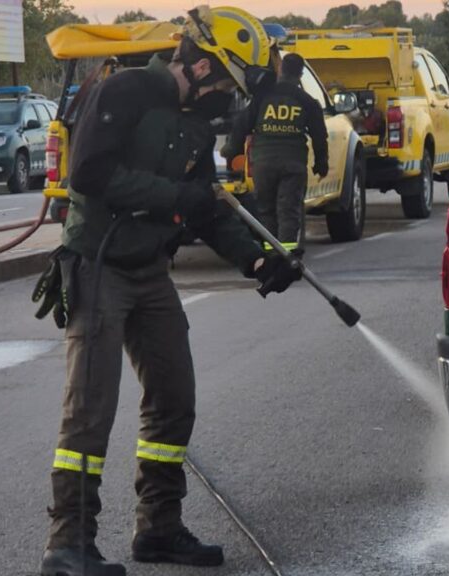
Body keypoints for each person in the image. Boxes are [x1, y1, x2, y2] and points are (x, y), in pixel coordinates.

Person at [38, 7, 297, 576]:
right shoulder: (124, 90)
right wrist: (177, 200)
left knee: (174, 396)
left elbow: (207, 205)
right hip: (98, 265)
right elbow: (89, 175)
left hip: (149, 270)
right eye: (229, 82)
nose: (231, 98)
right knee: (89, 411)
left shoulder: (196, 125)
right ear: (202, 66)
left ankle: (158, 528)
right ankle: (68, 544)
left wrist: (257, 259)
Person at [229, 52, 329, 252]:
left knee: (266, 210)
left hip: (263, 164)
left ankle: (271, 253)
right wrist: (321, 164)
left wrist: (232, 152)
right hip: (293, 163)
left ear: (281, 69)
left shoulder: (262, 97)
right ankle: (288, 254)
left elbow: (242, 125)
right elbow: (319, 137)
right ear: (300, 74)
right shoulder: (307, 101)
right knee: (288, 210)